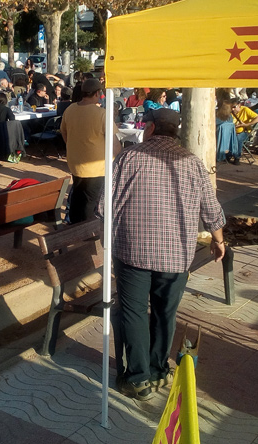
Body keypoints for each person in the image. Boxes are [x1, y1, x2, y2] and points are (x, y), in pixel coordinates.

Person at [99, 107, 226, 400]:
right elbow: (211, 208)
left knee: (133, 312)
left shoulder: (128, 157)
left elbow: (104, 207)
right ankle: (158, 370)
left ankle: (139, 378)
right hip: (176, 254)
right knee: (164, 313)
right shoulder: (192, 163)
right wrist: (219, 240)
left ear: (152, 128)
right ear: (176, 131)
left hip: (132, 250)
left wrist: (110, 235)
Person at [60, 78, 120, 223]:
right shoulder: (102, 114)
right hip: (96, 167)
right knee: (91, 202)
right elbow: (115, 145)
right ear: (98, 93)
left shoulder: (70, 109)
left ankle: (75, 224)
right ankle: (85, 235)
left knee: (78, 196)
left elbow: (64, 133)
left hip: (76, 163)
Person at [230, 98, 258, 164]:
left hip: (244, 131)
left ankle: (237, 157)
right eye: (231, 107)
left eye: (234, 107)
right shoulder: (230, 111)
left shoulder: (245, 109)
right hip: (232, 131)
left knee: (238, 139)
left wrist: (246, 124)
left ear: (239, 105)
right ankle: (226, 155)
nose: (232, 109)